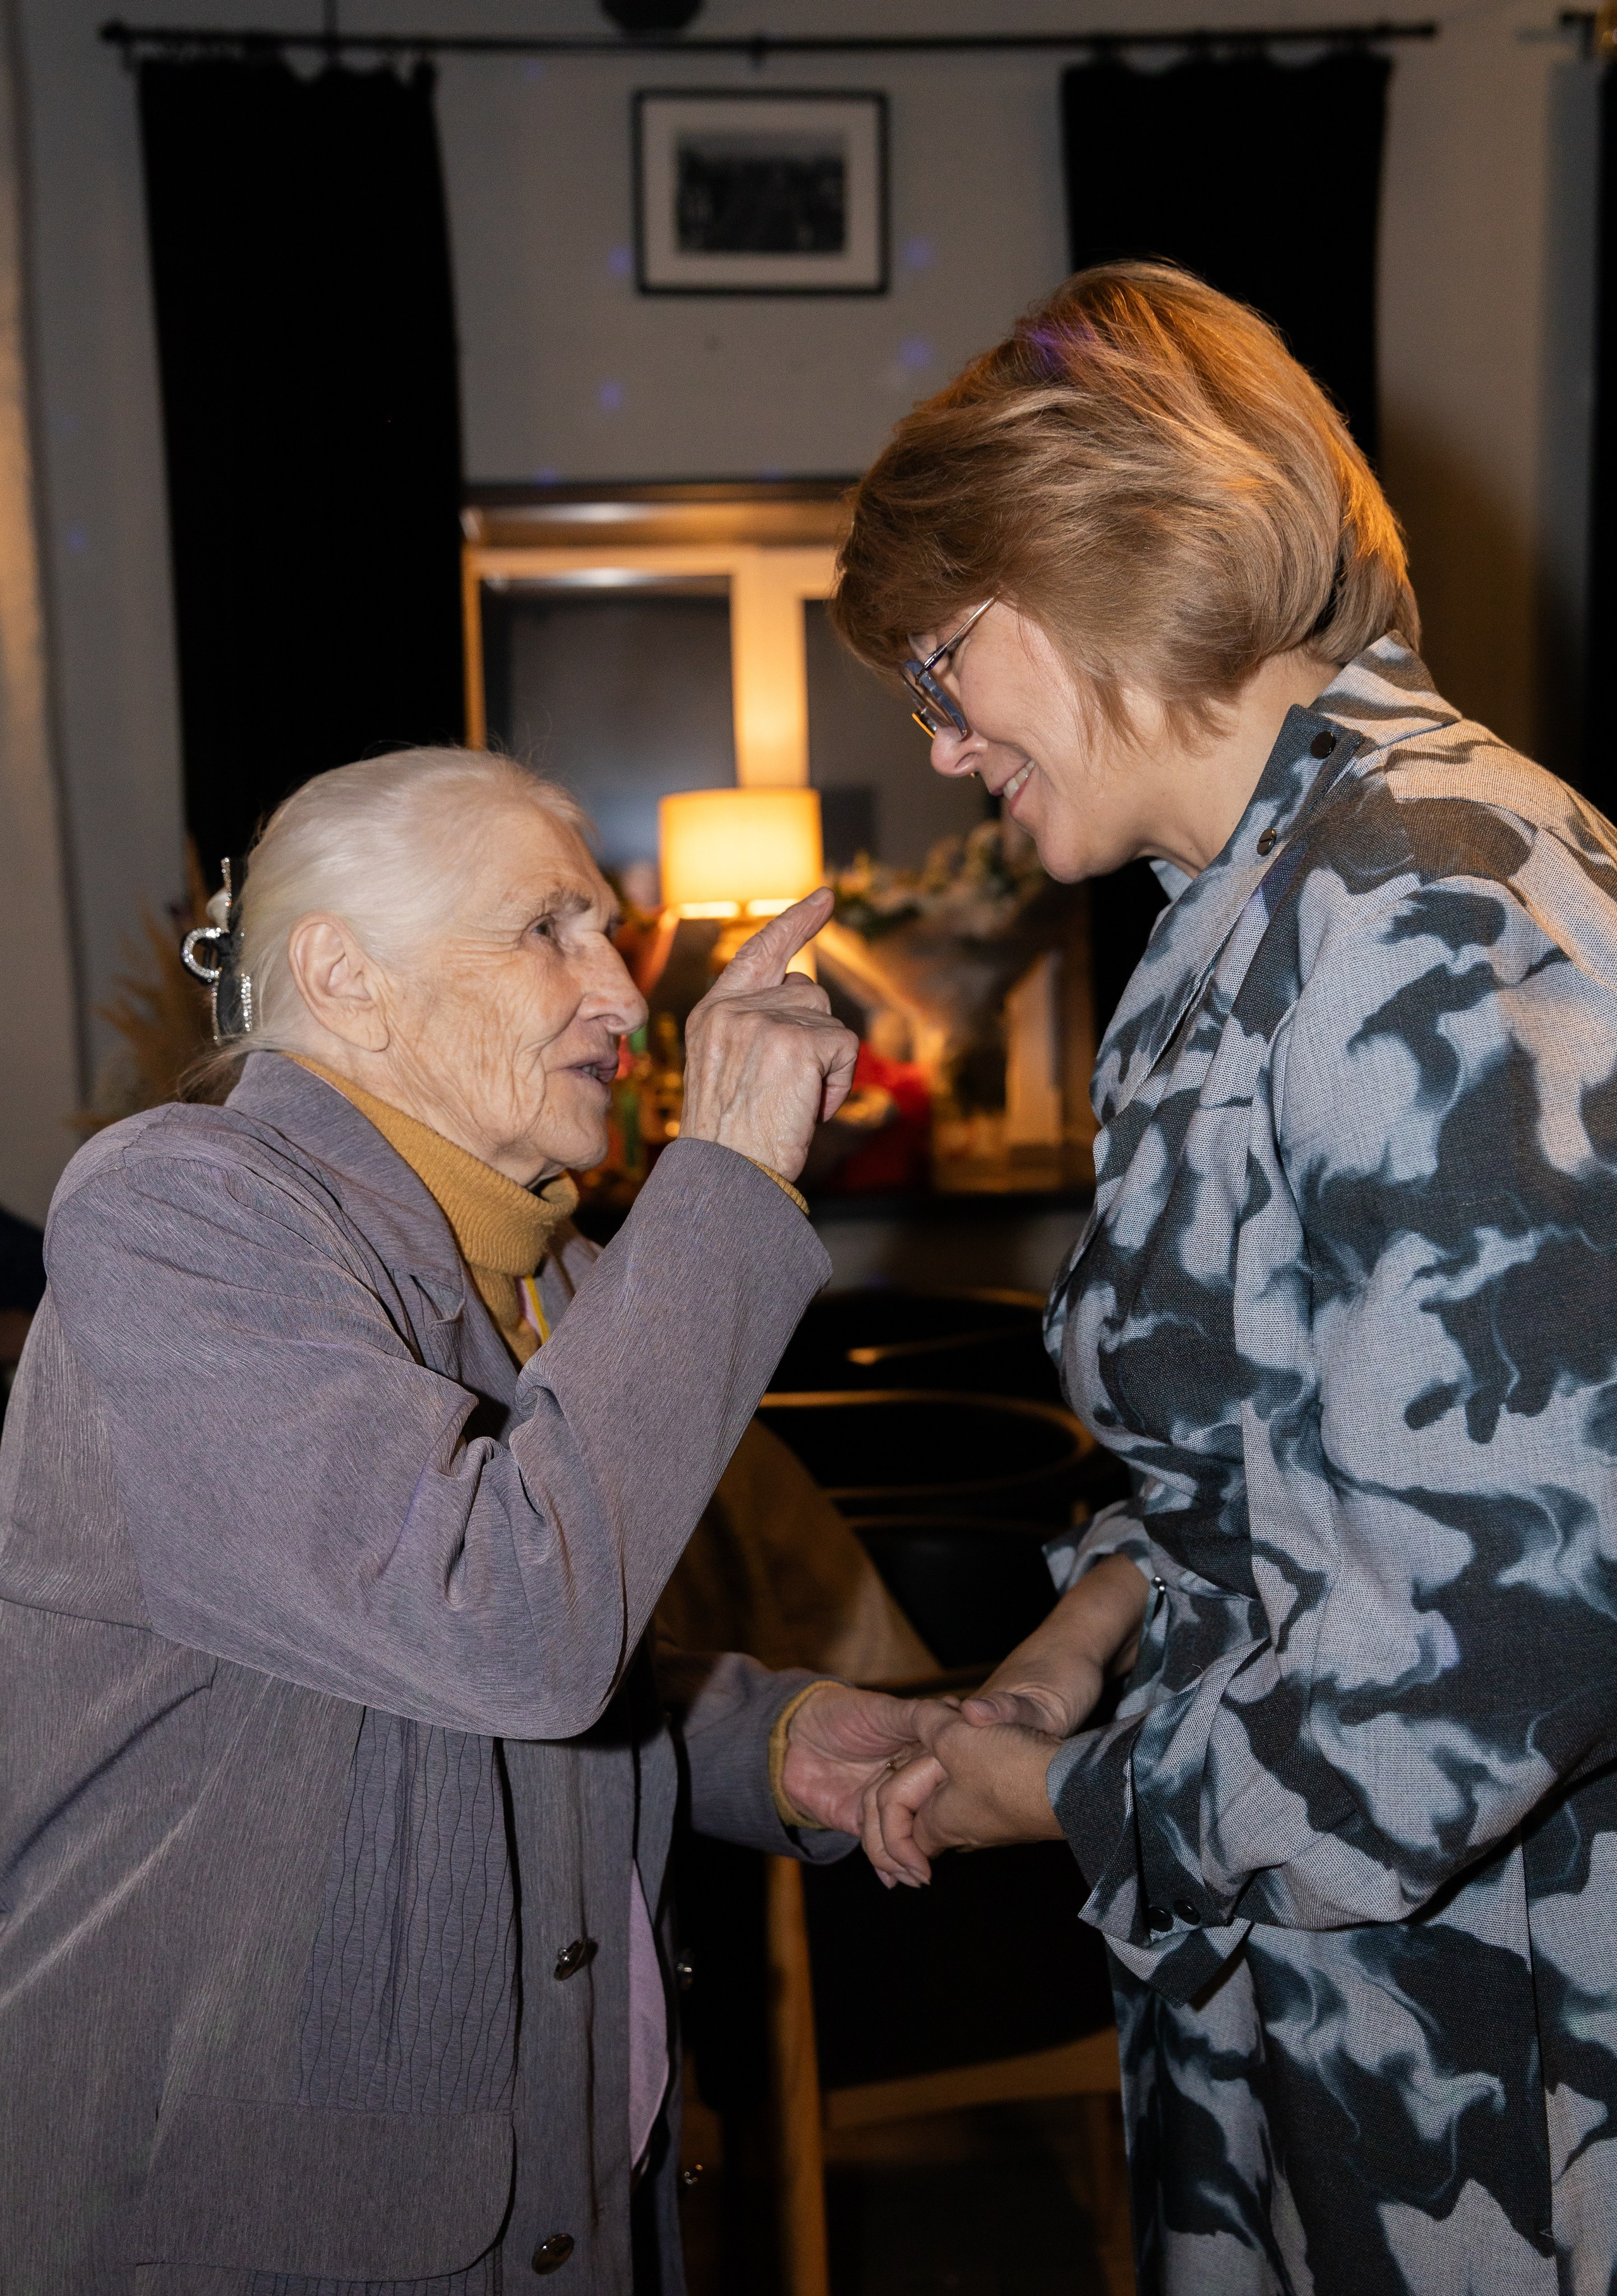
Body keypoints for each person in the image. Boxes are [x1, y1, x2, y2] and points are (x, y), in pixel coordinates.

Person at [832, 260, 1617, 2294]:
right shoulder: (1244, 897)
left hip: (1489, 2023)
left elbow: (1506, 1637)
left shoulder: (1418, 900)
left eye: (941, 666)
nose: (938, 748)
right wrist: (1090, 1622)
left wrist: (1070, 1791)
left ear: (1095, 548)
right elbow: (1269, 1434)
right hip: (1313, 1971)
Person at [0, 746, 927, 2294]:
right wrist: (728, 1176)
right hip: (241, 2217)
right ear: (343, 977)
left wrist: (765, 1741)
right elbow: (502, 1623)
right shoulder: (177, 1213)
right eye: (549, 929)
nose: (625, 999)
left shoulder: (544, 1273)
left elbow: (447, 1696)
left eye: (610, 936)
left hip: (537, 2183)